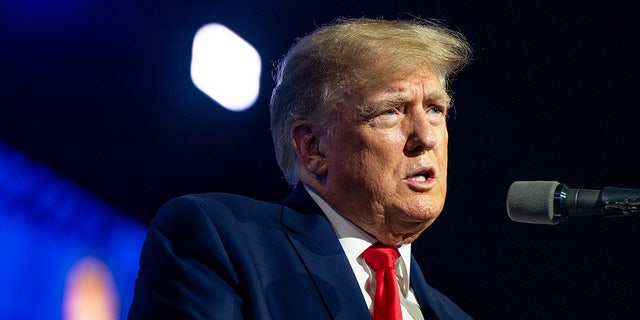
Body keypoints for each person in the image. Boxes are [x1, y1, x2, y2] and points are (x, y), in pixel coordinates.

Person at [128, 17, 472, 319]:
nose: (425, 136)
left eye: (436, 110)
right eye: (390, 111)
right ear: (313, 147)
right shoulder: (220, 240)